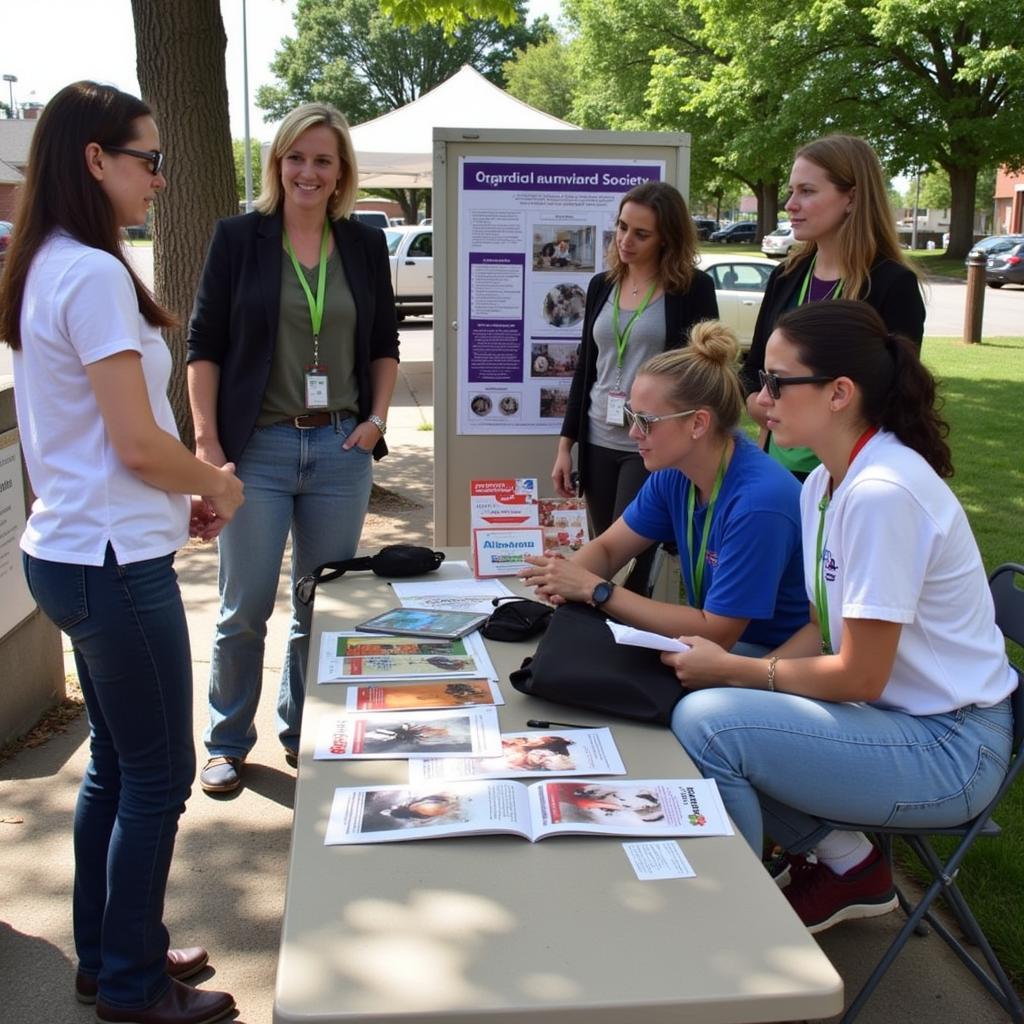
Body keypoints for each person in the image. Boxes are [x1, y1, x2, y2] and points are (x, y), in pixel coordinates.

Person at [0, 82, 242, 1023]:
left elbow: (108, 447)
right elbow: (138, 443)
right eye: (148, 159)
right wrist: (215, 483)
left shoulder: (51, 265)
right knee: (157, 775)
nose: (160, 179)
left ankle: (112, 955)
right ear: (95, 159)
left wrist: (170, 500)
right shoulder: (92, 275)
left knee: (116, 763)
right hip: (105, 563)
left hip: (77, 549)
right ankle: (134, 986)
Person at [669, 300, 1016, 935]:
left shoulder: (882, 494)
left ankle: (739, 933)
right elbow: (822, 633)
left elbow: (859, 678)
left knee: (710, 723)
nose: (758, 398)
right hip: (897, 723)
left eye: (776, 381)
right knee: (685, 685)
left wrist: (739, 674)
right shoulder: (823, 486)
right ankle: (847, 862)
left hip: (952, 748)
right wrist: (726, 670)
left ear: (838, 393)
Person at [188, 101, 400, 794]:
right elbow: (204, 348)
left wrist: (374, 420)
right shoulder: (238, 238)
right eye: (296, 157)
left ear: (341, 174)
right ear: (279, 162)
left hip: (340, 451)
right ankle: (226, 741)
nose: (308, 171)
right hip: (257, 452)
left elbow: (383, 346)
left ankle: (304, 733)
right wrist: (210, 447)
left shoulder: (364, 245)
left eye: (323, 160)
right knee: (244, 607)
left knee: (322, 606)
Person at [525, 321, 807, 653]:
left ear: (698, 423)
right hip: (721, 647)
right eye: (632, 416)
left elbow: (718, 632)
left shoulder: (760, 503)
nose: (633, 433)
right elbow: (609, 550)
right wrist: (563, 580)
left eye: (646, 421)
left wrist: (596, 590)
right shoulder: (675, 472)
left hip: (769, 658)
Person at [553, 181, 719, 594]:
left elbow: (703, 375)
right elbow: (586, 369)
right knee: (601, 551)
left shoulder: (691, 289)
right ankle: (598, 642)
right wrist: (564, 445)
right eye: (622, 227)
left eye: (641, 234)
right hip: (597, 438)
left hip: (648, 444)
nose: (626, 241)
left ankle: (622, 642)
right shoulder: (601, 285)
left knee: (628, 563)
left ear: (667, 239)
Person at [739, 134, 926, 479]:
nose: (790, 204)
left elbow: (898, 396)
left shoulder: (891, 284)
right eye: (791, 191)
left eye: (807, 191)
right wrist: (759, 403)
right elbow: (753, 370)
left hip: (846, 476)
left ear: (852, 198)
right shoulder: (786, 276)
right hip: (777, 472)